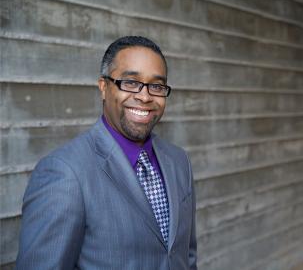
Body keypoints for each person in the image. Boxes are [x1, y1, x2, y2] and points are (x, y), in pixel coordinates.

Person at [16, 36, 197, 270]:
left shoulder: (179, 160)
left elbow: (186, 255)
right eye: (130, 82)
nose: (144, 96)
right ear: (103, 87)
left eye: (157, 86)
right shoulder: (64, 173)